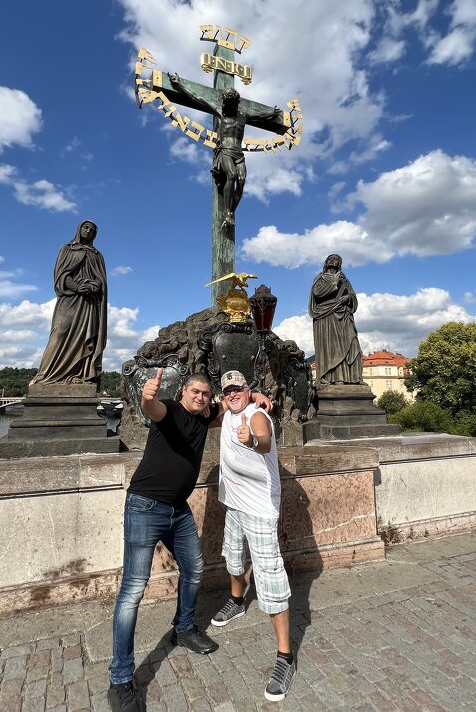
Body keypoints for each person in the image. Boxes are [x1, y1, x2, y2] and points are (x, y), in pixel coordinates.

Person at [108, 369, 271, 712]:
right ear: (183, 391)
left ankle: (183, 629)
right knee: (133, 589)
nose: (199, 397)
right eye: (194, 391)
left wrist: (254, 395)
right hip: (145, 505)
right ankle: (120, 678)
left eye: (205, 393)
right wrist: (147, 397)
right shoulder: (169, 409)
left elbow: (230, 403)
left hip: (177, 509)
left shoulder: (205, 414)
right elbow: (152, 409)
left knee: (194, 568)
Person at [211, 369, 296, 702]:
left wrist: (251, 441)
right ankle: (236, 602)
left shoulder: (256, 414)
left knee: (269, 576)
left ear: (248, 391)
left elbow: (264, 441)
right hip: (233, 503)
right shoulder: (226, 411)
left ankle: (285, 657)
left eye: (238, 388)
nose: (233, 393)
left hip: (260, 508)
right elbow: (207, 410)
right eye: (227, 390)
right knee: (232, 555)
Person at [168, 73, 280, 228]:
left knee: (241, 181)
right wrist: (179, 84)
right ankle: (227, 213)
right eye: (226, 103)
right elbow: (197, 98)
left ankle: (231, 211)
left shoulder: (243, 116)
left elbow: (260, 115)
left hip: (238, 153)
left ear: (236, 103)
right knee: (232, 175)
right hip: (225, 150)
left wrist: (271, 113)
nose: (228, 106)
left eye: (232, 104)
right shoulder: (220, 111)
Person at [32, 220, 107, 387]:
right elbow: (61, 274)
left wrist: (93, 286)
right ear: (79, 229)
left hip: (89, 304)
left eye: (92, 230)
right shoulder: (67, 249)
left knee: (84, 338)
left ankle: (78, 375)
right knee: (60, 332)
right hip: (70, 299)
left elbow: (101, 280)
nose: (88, 231)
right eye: (85, 227)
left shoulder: (97, 255)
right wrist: (77, 287)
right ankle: (45, 375)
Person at [308, 253, 363, 385]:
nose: (334, 260)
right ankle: (336, 378)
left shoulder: (344, 279)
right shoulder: (320, 278)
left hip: (344, 314)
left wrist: (348, 298)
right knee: (333, 347)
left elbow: (352, 295)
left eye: (337, 259)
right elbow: (317, 293)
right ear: (326, 262)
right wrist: (334, 282)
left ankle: (354, 378)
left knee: (353, 342)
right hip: (327, 315)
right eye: (331, 258)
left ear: (339, 264)